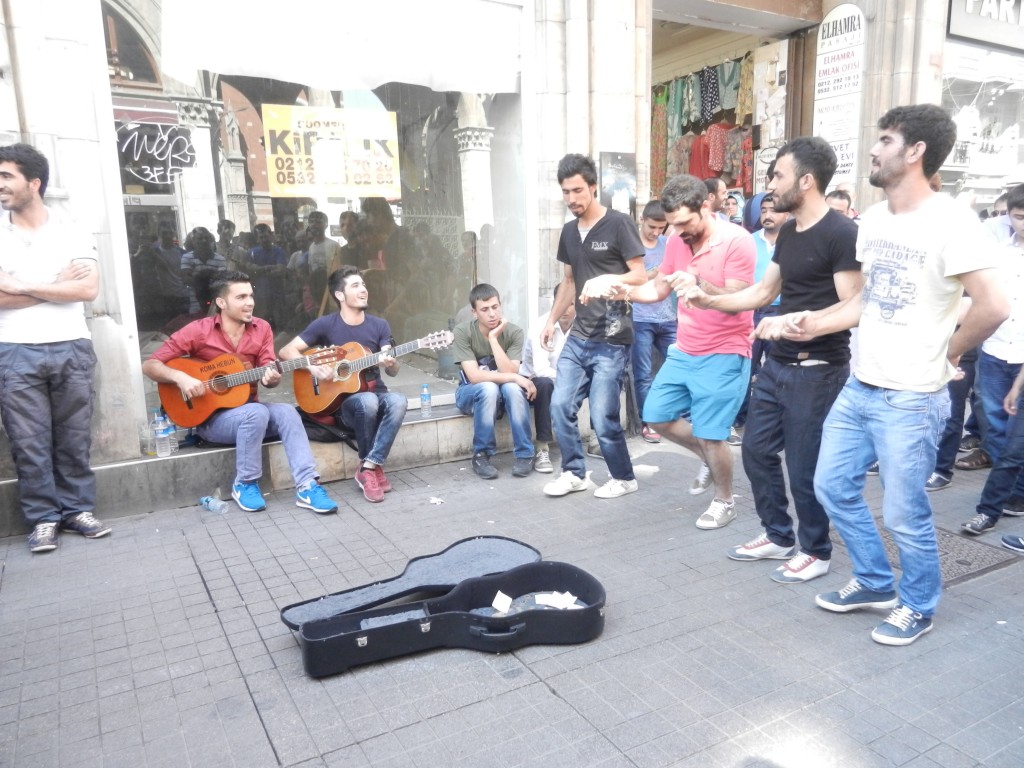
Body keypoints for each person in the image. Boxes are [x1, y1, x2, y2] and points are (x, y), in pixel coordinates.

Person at [784, 104, 1008, 646]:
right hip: (862, 383)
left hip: (912, 396)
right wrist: (810, 324)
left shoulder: (954, 220)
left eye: (884, 140)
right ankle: (875, 581)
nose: (873, 150)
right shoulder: (875, 221)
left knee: (906, 514)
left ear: (914, 152)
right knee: (832, 487)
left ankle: (918, 604)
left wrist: (947, 354)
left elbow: (994, 305)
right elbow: (866, 300)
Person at [686, 136, 861, 582]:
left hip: (818, 371)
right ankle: (778, 534)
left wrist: (800, 322)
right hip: (776, 365)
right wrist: (706, 299)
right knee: (757, 452)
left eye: (778, 175)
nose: (770, 185)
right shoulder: (788, 233)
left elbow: (853, 306)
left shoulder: (842, 233)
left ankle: (817, 551)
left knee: (803, 468)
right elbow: (763, 293)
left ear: (806, 180)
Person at [613, 173, 755, 528]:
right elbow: (656, 290)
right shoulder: (676, 241)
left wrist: (700, 284)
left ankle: (725, 500)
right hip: (685, 349)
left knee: (711, 434)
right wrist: (620, 291)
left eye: (684, 223)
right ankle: (709, 457)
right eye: (672, 225)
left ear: (706, 204)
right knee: (657, 415)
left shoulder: (737, 241)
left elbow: (740, 300)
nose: (677, 233)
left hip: (725, 349)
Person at [142, 270, 339, 515]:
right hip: (211, 420)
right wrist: (180, 377)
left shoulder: (262, 328)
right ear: (221, 303)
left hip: (252, 414)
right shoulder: (198, 331)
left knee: (288, 412)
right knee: (255, 413)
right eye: (241, 297)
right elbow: (150, 365)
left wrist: (272, 377)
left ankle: (308, 485)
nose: (250, 303)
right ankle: (245, 482)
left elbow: (269, 373)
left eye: (251, 296)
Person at [0, 142, 110, 553]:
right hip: (13, 350)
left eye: (6, 176)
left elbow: (87, 288)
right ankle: (43, 518)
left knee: (73, 437)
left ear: (35, 182)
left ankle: (77, 509)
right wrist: (55, 284)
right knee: (27, 442)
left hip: (71, 347)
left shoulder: (72, 229)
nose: (0, 185)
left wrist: (20, 284)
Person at [542, 153, 647, 500]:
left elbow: (639, 275)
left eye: (577, 191)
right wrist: (551, 320)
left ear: (593, 187)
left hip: (613, 336)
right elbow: (569, 281)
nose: (571, 199)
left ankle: (624, 477)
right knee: (560, 406)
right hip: (579, 335)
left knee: (603, 417)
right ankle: (575, 473)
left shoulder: (618, 224)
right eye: (565, 192)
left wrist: (607, 279)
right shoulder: (569, 232)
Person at [280, 266, 407, 503]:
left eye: (364, 285)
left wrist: (390, 362)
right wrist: (312, 366)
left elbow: (392, 371)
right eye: (356, 285)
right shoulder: (325, 325)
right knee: (366, 401)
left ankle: (368, 466)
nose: (363, 290)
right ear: (340, 295)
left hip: (375, 395)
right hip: (344, 406)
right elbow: (286, 351)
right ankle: (371, 468)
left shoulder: (380, 325)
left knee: (399, 400)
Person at [961, 184, 1024, 535]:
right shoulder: (997, 248)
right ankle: (1011, 491)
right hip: (997, 346)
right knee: (994, 425)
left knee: (1015, 442)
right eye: (1018, 217)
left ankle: (994, 505)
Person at [453, 283, 536, 479]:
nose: (492, 314)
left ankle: (525, 454)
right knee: (490, 388)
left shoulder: (514, 332)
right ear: (474, 312)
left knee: (513, 390)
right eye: (484, 309)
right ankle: (481, 454)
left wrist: (493, 339)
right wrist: (515, 377)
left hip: (504, 393)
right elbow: (474, 376)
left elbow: (510, 370)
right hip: (470, 393)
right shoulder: (462, 331)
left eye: (495, 307)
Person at [729, 196, 790, 441]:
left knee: (779, 370)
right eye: (763, 210)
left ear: (786, 214)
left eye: (773, 210)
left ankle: (777, 422)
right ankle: (736, 419)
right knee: (744, 368)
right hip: (750, 313)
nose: (767, 215)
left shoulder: (793, 241)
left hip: (781, 313)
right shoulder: (749, 241)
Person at [631, 201, 675, 444]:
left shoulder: (668, 244)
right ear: (641, 219)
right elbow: (627, 282)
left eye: (661, 228)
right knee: (643, 374)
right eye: (652, 227)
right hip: (640, 318)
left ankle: (675, 415)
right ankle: (649, 422)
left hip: (668, 316)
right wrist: (652, 273)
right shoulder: (632, 247)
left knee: (682, 365)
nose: (657, 232)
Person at [520, 281, 575, 473]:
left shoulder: (582, 326)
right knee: (545, 384)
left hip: (565, 378)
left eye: (571, 303)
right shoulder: (541, 326)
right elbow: (541, 370)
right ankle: (542, 446)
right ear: (555, 302)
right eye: (562, 302)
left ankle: (595, 438)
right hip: (533, 380)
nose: (566, 309)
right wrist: (571, 378)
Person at [247, 223, 288, 328]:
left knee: (279, 323)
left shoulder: (279, 251)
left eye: (266, 236)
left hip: (277, 292)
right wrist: (269, 267)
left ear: (271, 236)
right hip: (259, 294)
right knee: (261, 322)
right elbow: (250, 270)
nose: (264, 239)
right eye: (261, 237)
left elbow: (281, 270)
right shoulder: (252, 252)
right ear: (257, 239)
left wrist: (259, 270)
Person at [303, 210, 342, 318]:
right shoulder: (311, 247)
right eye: (311, 221)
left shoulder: (333, 245)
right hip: (317, 291)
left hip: (330, 291)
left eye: (318, 222)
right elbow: (311, 269)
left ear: (326, 225)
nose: (314, 225)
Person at [180, 226, 227, 313]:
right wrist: (209, 275)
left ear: (211, 240)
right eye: (200, 238)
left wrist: (197, 277)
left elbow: (221, 281)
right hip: (194, 306)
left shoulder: (220, 259)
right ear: (193, 241)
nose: (204, 241)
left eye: (206, 238)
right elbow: (186, 279)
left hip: (216, 306)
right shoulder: (186, 257)